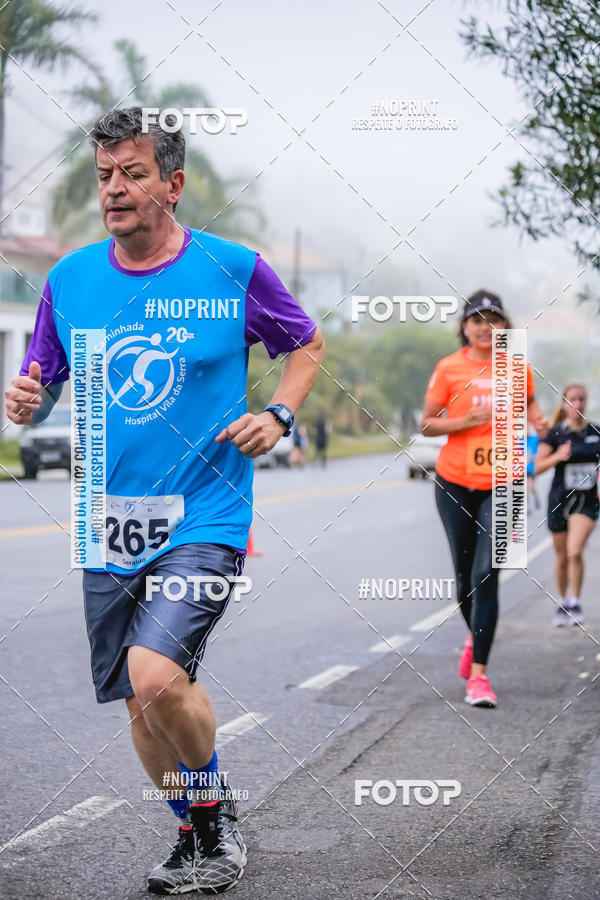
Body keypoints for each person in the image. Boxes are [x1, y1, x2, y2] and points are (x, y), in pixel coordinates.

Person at [4, 107, 325, 895]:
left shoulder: (235, 270)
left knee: (155, 675)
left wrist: (278, 413)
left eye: (134, 173)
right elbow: (45, 386)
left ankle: (215, 822)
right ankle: (194, 831)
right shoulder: (69, 280)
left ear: (173, 185)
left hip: (207, 513)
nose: (115, 188)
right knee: (140, 705)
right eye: (106, 174)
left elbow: (305, 344)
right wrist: (25, 402)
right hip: (104, 520)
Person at [421, 290, 547, 708]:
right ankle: (474, 640)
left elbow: (531, 409)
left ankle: (479, 677)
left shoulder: (517, 368)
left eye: (494, 320)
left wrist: (540, 426)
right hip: (455, 481)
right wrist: (465, 420)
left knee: (486, 575)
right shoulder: (448, 368)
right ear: (464, 326)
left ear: (504, 327)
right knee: (463, 579)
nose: (485, 327)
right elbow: (427, 425)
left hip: (505, 482)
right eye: (477, 320)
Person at [534, 384, 600, 626]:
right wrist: (557, 456)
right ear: (564, 404)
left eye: (582, 399)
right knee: (562, 557)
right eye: (573, 399)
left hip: (587, 500)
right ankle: (563, 601)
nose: (578, 404)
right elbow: (537, 466)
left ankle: (576, 601)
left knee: (575, 550)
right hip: (559, 499)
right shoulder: (555, 434)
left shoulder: (596, 432)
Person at [527, 426, 540, 513]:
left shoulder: (534, 439)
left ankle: (536, 499)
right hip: (523, 469)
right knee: (526, 488)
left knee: (532, 487)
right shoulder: (519, 440)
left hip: (533, 467)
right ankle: (528, 506)